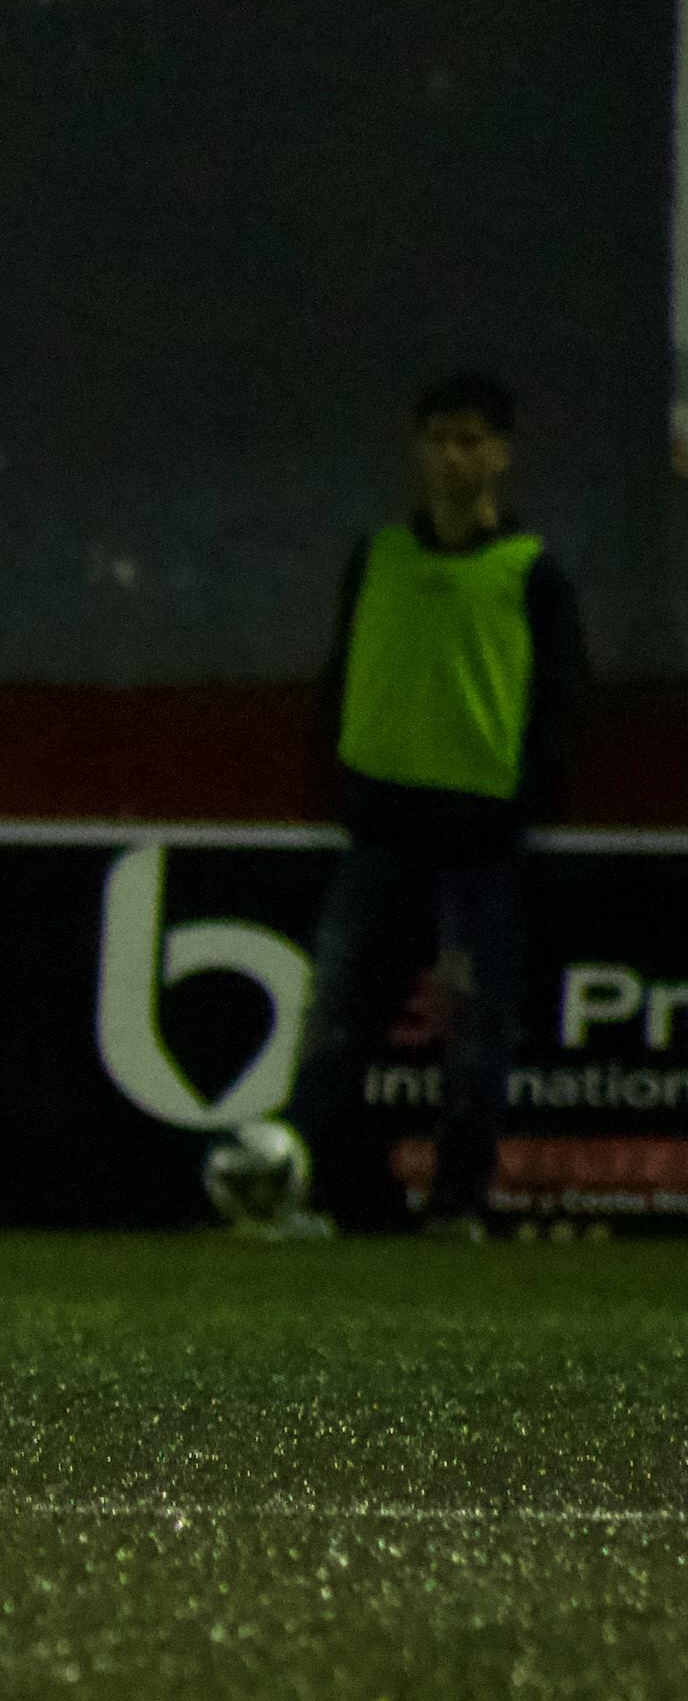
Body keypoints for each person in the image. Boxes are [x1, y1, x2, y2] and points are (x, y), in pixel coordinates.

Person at [278, 374, 590, 1238]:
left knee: (476, 1032)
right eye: (441, 438)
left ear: (501, 453)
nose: (457, 456)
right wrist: (341, 784)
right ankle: (346, 1201)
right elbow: (343, 674)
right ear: (418, 449)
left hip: (479, 839)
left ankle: (458, 1203)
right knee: (340, 1025)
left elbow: (562, 703)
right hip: (380, 830)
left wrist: (523, 800)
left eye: (473, 439)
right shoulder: (377, 557)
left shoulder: (532, 572)